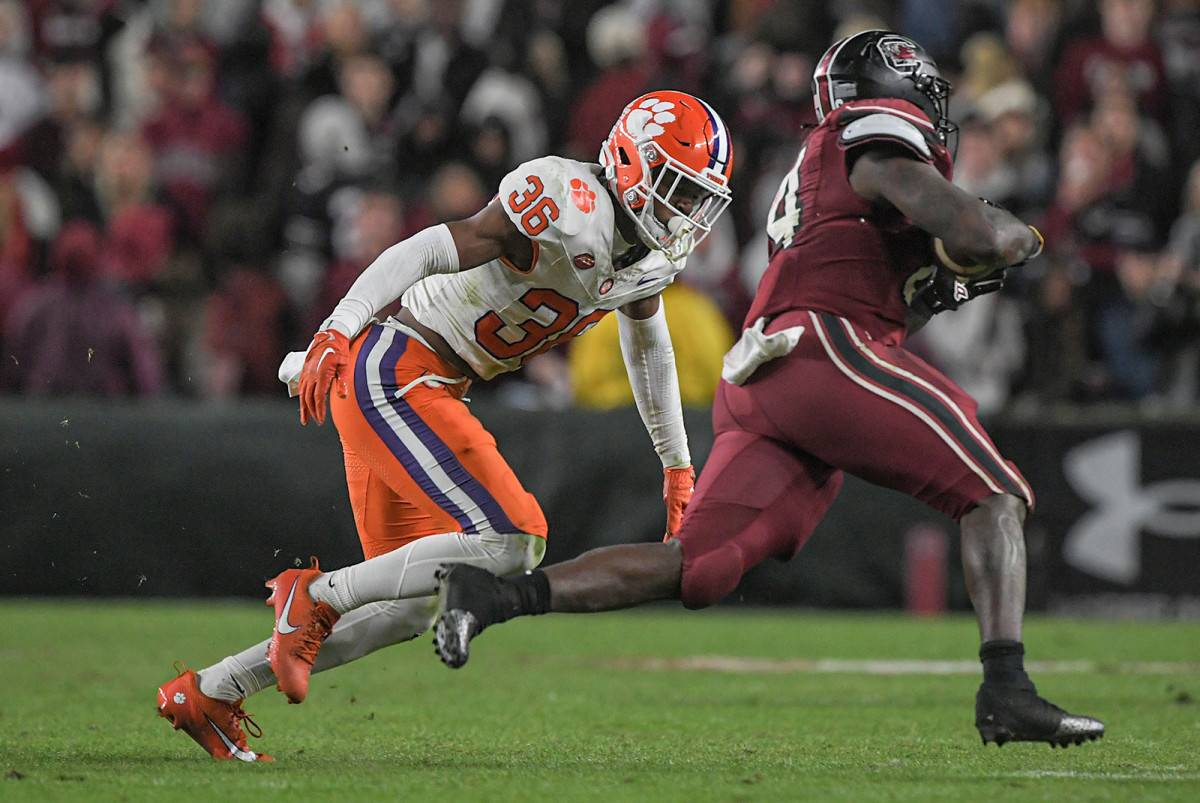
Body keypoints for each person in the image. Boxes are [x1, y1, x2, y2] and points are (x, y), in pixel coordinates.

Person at [432, 30, 1107, 749]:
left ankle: (497, 596)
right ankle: (1007, 686)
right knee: (993, 491)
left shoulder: (827, 167)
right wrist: (1017, 233)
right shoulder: (867, 137)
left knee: (697, 567)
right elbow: (977, 231)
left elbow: (888, 288)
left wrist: (936, 288)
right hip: (826, 347)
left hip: (770, 367)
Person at [155, 89, 734, 760]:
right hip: (397, 367)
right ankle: (311, 594)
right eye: (675, 189)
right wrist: (340, 324)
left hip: (428, 382)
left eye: (696, 197)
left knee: (408, 604)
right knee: (516, 539)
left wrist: (676, 461)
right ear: (630, 163)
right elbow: (433, 246)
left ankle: (211, 689)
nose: (685, 212)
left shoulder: (651, 257)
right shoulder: (567, 200)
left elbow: (647, 339)